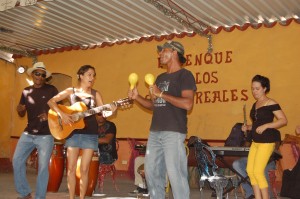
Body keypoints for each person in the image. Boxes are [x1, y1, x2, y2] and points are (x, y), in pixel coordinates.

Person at [128, 40, 197, 199]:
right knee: (151, 171)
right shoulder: (159, 77)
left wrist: (161, 94)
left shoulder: (185, 75)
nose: (159, 54)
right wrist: (137, 97)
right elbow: (154, 105)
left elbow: (188, 104)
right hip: (155, 132)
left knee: (175, 174)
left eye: (163, 51)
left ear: (174, 52)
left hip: (173, 132)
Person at [47, 65, 115, 199]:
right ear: (80, 76)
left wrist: (110, 110)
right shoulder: (70, 91)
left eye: (93, 75)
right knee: (71, 169)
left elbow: (103, 114)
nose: (92, 78)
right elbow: (51, 101)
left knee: (84, 169)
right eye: (89, 74)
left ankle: (82, 197)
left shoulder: (96, 94)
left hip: (90, 134)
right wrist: (62, 114)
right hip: (73, 134)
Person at [13, 62, 58, 199]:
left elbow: (59, 110)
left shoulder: (52, 90)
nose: (39, 76)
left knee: (43, 167)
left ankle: (40, 197)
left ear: (45, 77)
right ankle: (24, 193)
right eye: (37, 73)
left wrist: (49, 115)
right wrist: (19, 109)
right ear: (32, 74)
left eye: (43, 75)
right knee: (17, 160)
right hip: (28, 133)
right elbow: (21, 112)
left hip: (45, 135)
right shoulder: (26, 91)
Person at [242, 74, 287, 199]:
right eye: (252, 88)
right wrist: (248, 127)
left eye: (257, 88)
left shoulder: (270, 102)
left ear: (265, 88)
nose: (254, 91)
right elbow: (257, 125)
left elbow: (283, 120)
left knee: (257, 172)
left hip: (267, 142)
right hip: (255, 142)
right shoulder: (255, 104)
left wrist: (267, 125)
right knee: (250, 171)